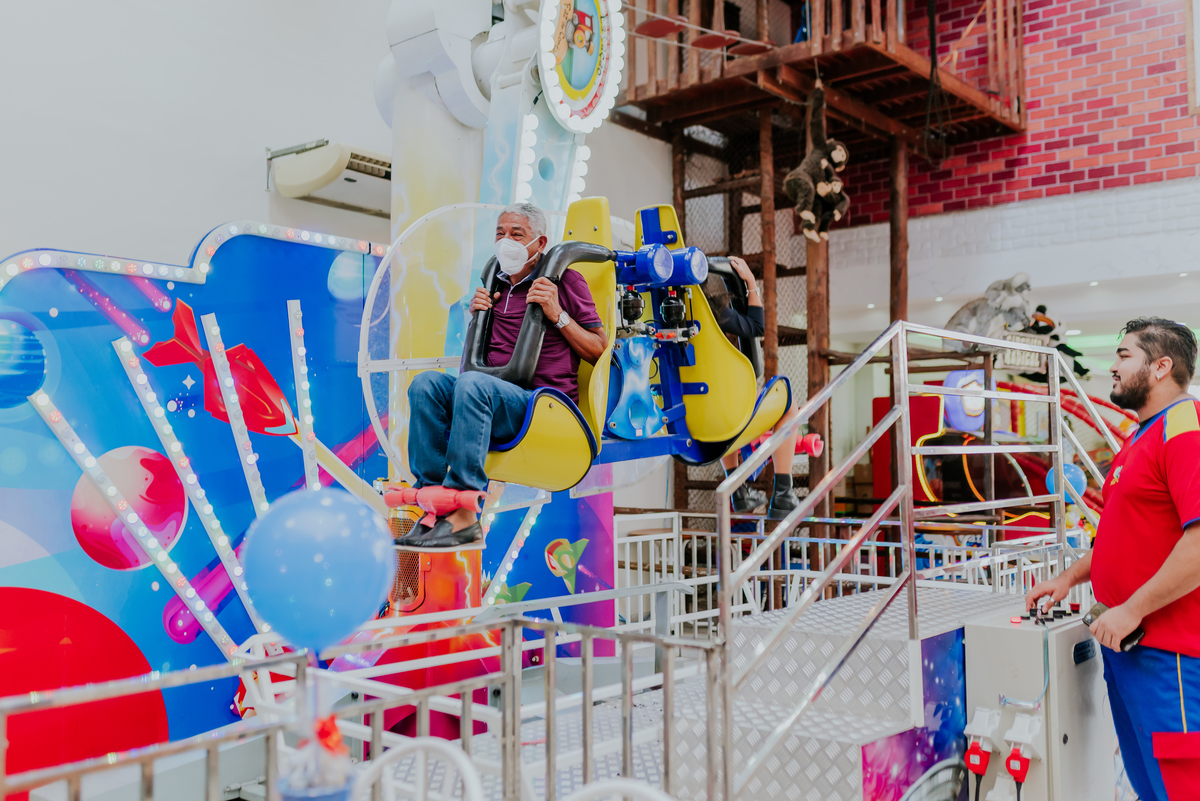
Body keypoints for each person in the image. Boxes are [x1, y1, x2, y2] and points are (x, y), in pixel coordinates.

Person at [1026, 317, 1200, 801]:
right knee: (1149, 785)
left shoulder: (1184, 429)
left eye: (1125, 355)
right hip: (1129, 647)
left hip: (1170, 656)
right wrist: (1069, 577)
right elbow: (1123, 536)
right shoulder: (1141, 437)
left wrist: (1132, 609)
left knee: (1181, 787)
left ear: (1162, 366)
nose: (1113, 366)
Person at [400, 203, 607, 548]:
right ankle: (433, 504)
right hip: (492, 395)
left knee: (473, 386)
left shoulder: (565, 280)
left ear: (539, 242)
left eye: (516, 234)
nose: (505, 241)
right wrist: (477, 321)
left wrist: (558, 314)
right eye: (500, 233)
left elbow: (600, 349)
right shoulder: (495, 285)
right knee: (426, 385)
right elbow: (473, 367)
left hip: (544, 405)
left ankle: (466, 513)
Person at [706, 256, 803, 520]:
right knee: (787, 397)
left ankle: (737, 489)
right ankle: (783, 492)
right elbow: (757, 327)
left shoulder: (663, 318)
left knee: (715, 404)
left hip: (698, 427)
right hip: (731, 420)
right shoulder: (712, 311)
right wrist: (750, 280)